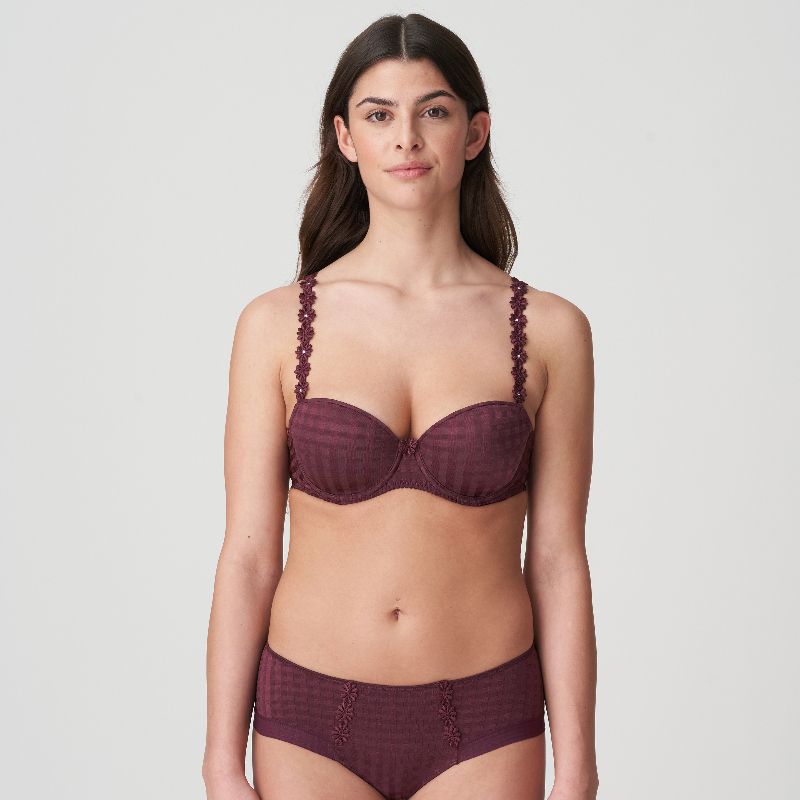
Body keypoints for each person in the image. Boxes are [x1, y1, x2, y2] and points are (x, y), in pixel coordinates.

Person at [203, 13, 597, 800]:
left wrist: (579, 765)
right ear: (345, 137)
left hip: (486, 720)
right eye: (379, 114)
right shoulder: (275, 324)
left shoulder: (551, 330)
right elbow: (248, 555)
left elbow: (557, 560)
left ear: (475, 132)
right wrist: (219, 760)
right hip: (308, 718)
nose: (407, 138)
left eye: (434, 111)